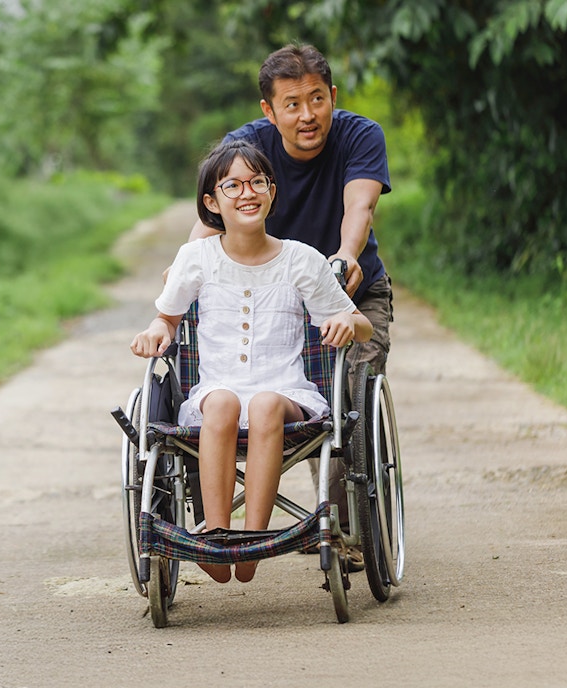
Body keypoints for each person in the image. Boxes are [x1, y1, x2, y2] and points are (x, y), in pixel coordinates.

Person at [186, 44, 393, 571]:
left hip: (343, 291)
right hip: (267, 294)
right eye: (293, 103)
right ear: (268, 110)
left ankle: (346, 531)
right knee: (213, 396)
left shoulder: (359, 135)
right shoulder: (246, 152)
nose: (308, 115)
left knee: (348, 402)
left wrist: (345, 255)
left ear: (333, 98)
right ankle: (209, 518)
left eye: (318, 99)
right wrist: (184, 266)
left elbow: (360, 204)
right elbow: (213, 221)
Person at [132, 140, 373, 584]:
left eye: (257, 181)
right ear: (212, 201)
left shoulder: (301, 258)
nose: (248, 192)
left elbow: (361, 325)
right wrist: (155, 332)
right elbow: (167, 320)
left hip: (285, 393)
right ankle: (217, 536)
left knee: (263, 402)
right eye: (233, 185)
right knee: (222, 401)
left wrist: (344, 322)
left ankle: (253, 543)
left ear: (271, 191)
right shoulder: (196, 258)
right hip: (215, 394)